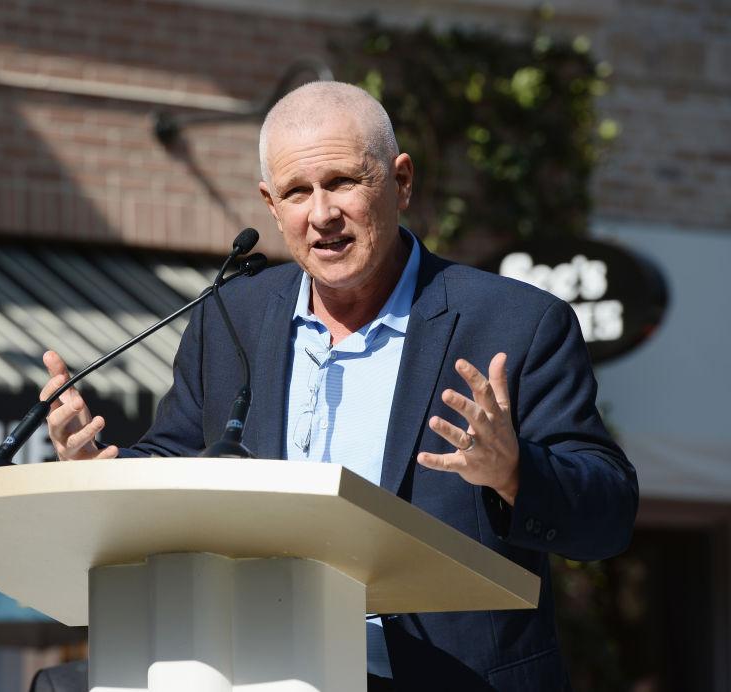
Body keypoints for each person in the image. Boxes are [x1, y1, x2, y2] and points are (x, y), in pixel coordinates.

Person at [40, 81, 638, 691]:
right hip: (261, 669)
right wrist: (100, 468)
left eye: (343, 182)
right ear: (271, 206)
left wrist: (515, 471)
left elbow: (609, 513)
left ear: (401, 181)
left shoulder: (515, 323)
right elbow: (178, 459)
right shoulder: (232, 318)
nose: (321, 214)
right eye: (297, 192)